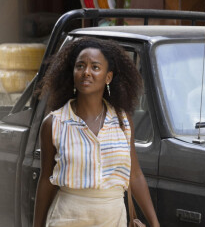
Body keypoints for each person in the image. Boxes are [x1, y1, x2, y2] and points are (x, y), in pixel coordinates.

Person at [33, 37, 159, 227]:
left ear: (108, 77)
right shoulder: (54, 123)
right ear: (73, 73)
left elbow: (135, 175)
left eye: (95, 67)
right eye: (80, 66)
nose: (86, 72)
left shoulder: (122, 121)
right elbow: (46, 181)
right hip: (67, 217)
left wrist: (154, 223)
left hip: (112, 218)